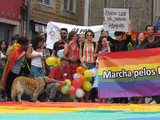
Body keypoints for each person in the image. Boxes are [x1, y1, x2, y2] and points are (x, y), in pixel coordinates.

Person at [0, 37, 29, 101]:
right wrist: (23, 54)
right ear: (22, 43)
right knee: (10, 83)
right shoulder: (16, 47)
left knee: (14, 83)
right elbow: (16, 58)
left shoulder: (19, 48)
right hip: (13, 69)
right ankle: (9, 96)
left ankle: (12, 96)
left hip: (17, 69)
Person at [79, 30, 97, 102]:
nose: (89, 36)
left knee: (89, 82)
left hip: (92, 64)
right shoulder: (82, 43)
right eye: (87, 35)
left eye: (90, 35)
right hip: (84, 63)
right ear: (86, 36)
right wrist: (82, 63)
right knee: (82, 81)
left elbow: (95, 55)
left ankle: (87, 99)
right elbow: (80, 55)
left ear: (93, 36)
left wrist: (98, 53)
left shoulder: (95, 44)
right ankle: (81, 99)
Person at [94, 36, 111, 103]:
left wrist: (108, 45)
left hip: (107, 68)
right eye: (104, 41)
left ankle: (106, 100)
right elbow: (94, 55)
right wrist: (98, 54)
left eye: (106, 41)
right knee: (100, 85)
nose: (105, 42)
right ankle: (100, 100)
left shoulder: (108, 47)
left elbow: (110, 54)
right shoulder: (99, 48)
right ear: (101, 42)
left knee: (106, 85)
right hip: (100, 68)